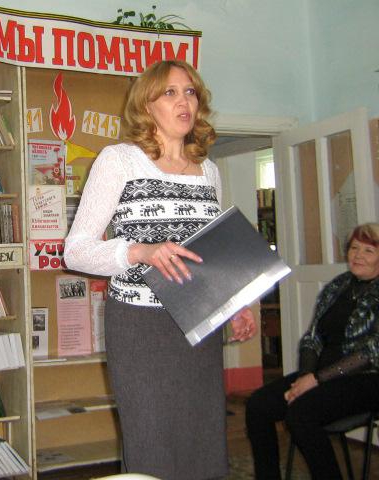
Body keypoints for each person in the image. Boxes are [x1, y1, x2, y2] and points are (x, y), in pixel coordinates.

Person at [64, 60, 256, 479]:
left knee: (202, 442)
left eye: (190, 92)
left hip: (199, 321)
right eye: (170, 92)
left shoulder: (208, 171)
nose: (183, 101)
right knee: (152, 443)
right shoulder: (119, 160)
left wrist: (234, 305)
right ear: (146, 105)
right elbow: (75, 252)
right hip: (140, 326)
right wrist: (139, 252)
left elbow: (209, 257)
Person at [246, 223, 379, 479]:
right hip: (321, 375)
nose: (358, 255)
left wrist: (316, 379)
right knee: (258, 405)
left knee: (300, 415)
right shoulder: (339, 286)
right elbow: (313, 336)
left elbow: (371, 351)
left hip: (367, 378)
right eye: (354, 248)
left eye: (368, 251)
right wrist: (305, 374)